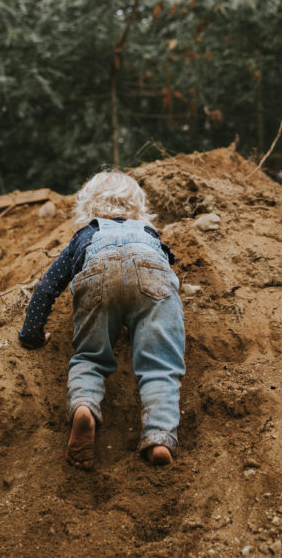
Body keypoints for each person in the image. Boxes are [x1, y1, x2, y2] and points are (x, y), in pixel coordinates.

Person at [19, 171, 186, 470]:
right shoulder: (149, 233)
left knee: (91, 358)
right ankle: (158, 437)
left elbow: (47, 287)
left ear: (89, 206)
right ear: (138, 207)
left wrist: (31, 333)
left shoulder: (85, 235)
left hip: (97, 275)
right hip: (152, 276)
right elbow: (168, 259)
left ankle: (84, 406)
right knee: (160, 364)